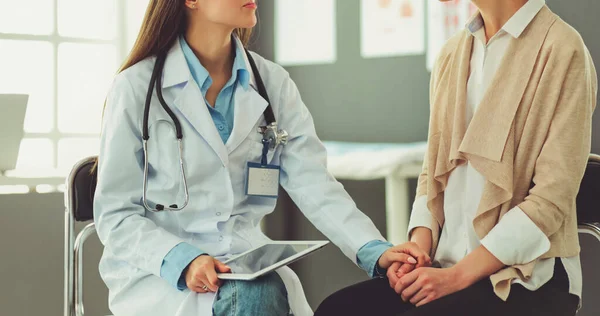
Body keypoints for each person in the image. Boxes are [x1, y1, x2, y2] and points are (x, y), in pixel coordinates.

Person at [93, 0, 423, 315]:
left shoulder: (271, 82)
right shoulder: (136, 88)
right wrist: (182, 259)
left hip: (246, 265)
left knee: (262, 292)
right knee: (259, 295)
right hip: (160, 278)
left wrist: (374, 250)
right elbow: (116, 215)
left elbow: (314, 183)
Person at [315, 0, 597, 315]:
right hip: (443, 266)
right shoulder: (452, 53)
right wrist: (416, 257)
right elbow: (431, 176)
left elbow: (551, 199)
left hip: (526, 277)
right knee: (336, 309)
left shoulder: (562, 49)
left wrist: (456, 277)